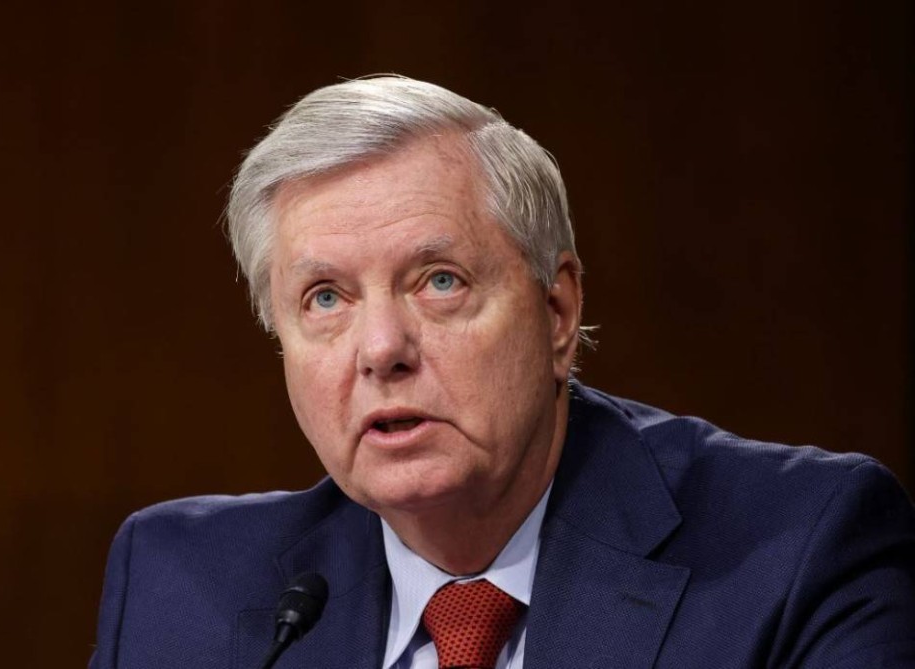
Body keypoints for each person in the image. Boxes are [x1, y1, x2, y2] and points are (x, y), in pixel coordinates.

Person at [88, 76, 915, 668]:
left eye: (439, 281)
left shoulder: (799, 551)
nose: (381, 348)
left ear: (557, 312)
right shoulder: (176, 588)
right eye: (326, 297)